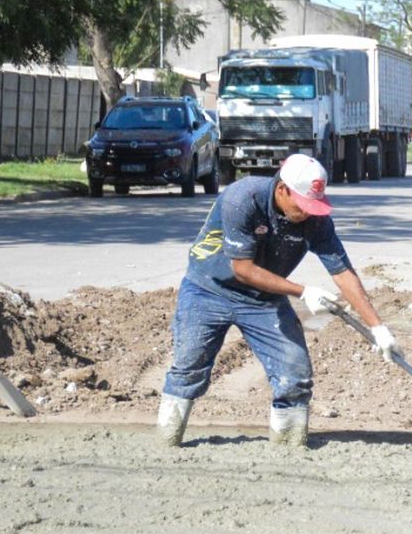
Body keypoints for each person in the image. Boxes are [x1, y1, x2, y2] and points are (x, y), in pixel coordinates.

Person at [156, 153, 399, 449]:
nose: (307, 213)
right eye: (302, 205)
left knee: (294, 374)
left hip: (263, 300)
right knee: (189, 367)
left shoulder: (315, 220)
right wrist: (303, 292)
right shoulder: (243, 198)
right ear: (282, 190)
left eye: (313, 206)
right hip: (209, 289)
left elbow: (342, 272)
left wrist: (378, 328)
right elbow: (242, 269)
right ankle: (167, 441)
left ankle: (288, 446)